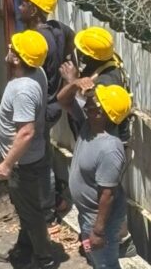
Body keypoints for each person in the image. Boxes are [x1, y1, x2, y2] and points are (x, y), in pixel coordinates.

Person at [58, 26, 137, 258]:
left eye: (81, 52)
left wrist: (73, 81)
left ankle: (119, 241)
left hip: (109, 142)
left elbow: (107, 194)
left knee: (105, 190)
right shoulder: (106, 64)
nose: (77, 55)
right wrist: (74, 84)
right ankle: (104, 242)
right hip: (100, 140)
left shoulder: (105, 83)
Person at [0, 30, 56, 269]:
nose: (9, 47)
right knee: (26, 207)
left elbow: (26, 132)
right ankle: (25, 247)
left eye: (13, 47)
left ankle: (43, 259)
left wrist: (7, 164)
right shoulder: (37, 72)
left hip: (23, 163)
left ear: (19, 59)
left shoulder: (23, 90)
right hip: (27, 158)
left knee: (31, 212)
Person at [18, 0, 75, 228]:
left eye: (25, 3)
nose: (20, 6)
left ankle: (48, 209)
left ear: (35, 10)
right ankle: (51, 200)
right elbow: (72, 41)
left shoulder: (35, 40)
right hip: (53, 104)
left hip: (39, 108)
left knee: (40, 163)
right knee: (43, 156)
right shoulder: (58, 30)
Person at [60, 83, 132, 269]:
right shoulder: (88, 125)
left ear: (102, 113)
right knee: (95, 257)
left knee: (106, 264)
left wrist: (98, 232)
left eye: (95, 102)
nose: (89, 101)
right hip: (87, 215)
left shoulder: (110, 149)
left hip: (99, 222)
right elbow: (63, 100)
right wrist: (74, 84)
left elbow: (108, 194)